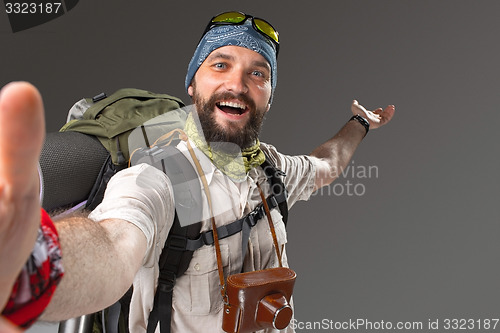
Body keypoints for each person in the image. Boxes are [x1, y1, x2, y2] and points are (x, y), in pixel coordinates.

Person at [0, 11, 395, 332]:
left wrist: (359, 124)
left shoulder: (271, 170)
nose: (237, 84)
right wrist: (29, 265)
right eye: (220, 65)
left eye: (258, 73)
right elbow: (113, 244)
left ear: (270, 95)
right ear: (192, 85)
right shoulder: (159, 176)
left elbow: (327, 164)